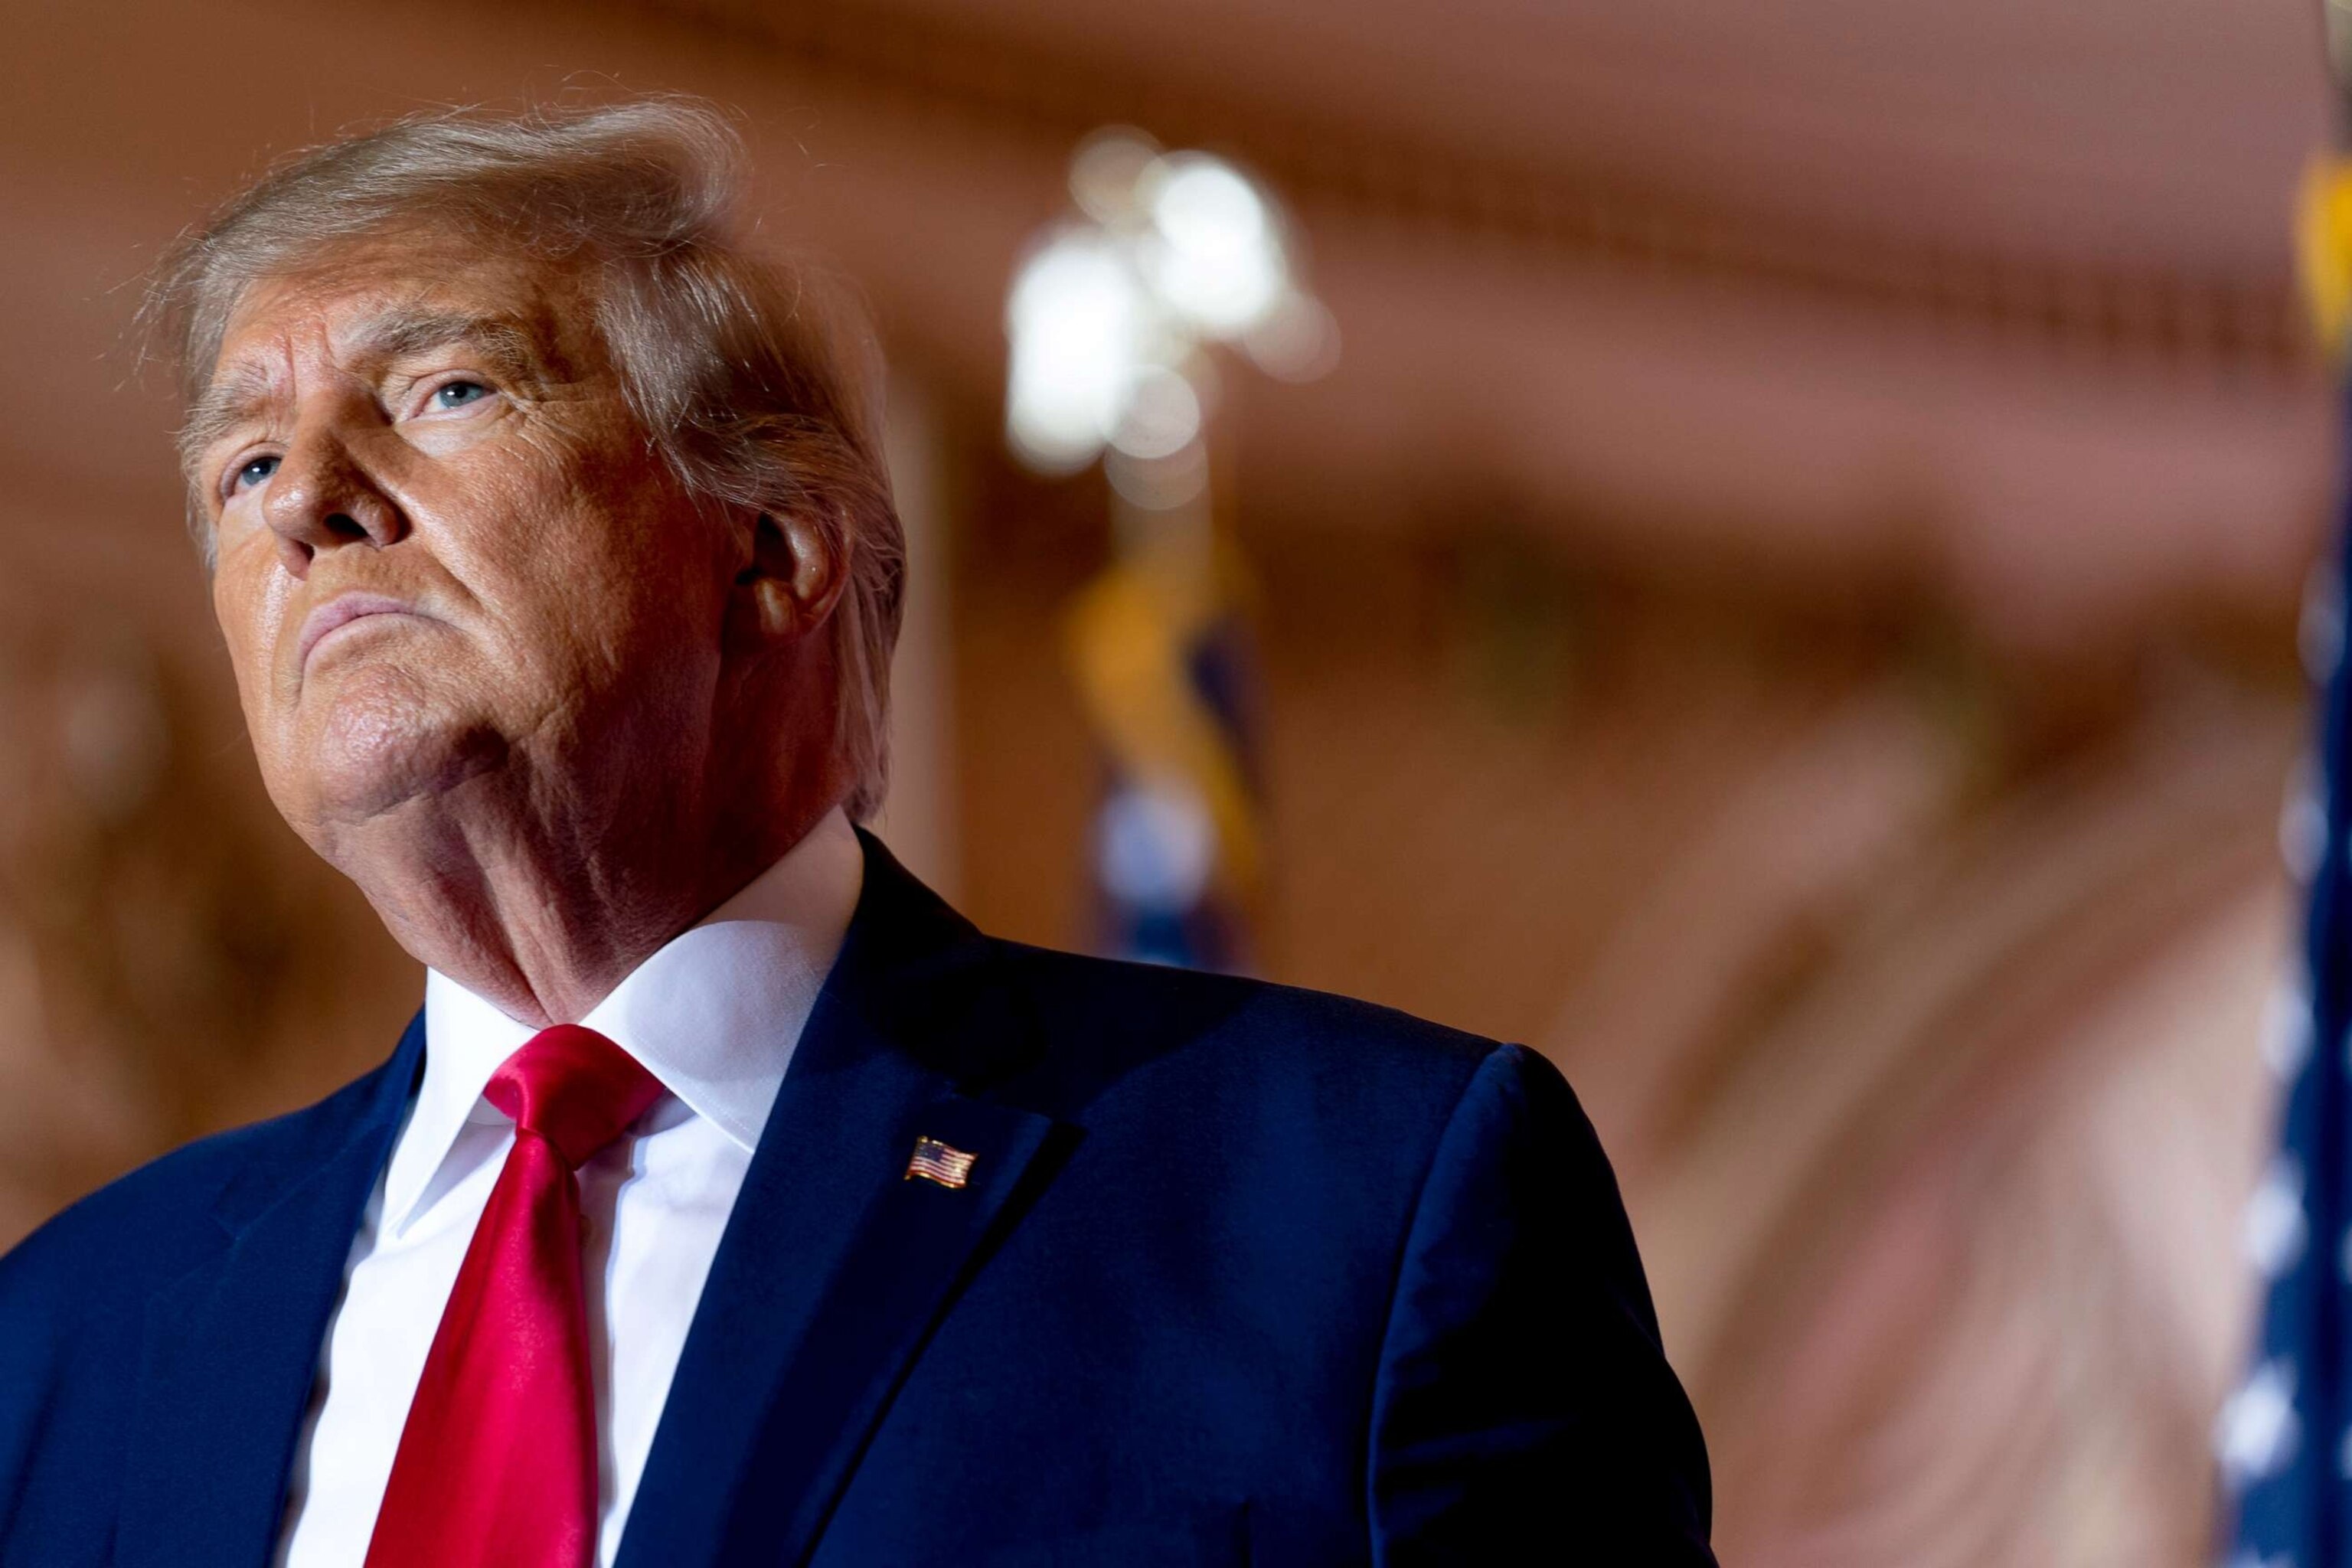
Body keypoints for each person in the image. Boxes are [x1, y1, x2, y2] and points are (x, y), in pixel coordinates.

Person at [0, 100, 1716, 1567]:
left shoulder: (1356, 1205)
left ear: (772, 553)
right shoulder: (71, 1337)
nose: (308, 497)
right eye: (242, 468)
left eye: (444, 390)